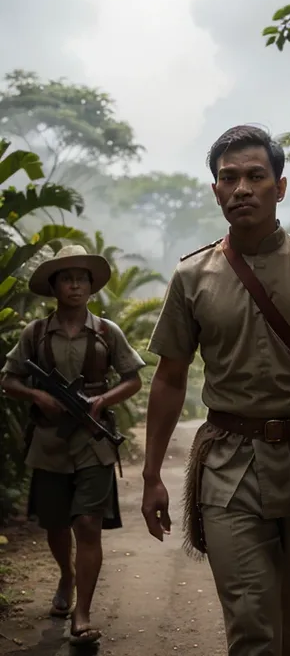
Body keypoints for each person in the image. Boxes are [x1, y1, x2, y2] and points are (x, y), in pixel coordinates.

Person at [141, 125, 290, 656]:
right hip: (227, 467)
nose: (242, 188)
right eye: (229, 178)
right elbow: (170, 377)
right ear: (216, 191)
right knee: (251, 624)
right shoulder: (191, 276)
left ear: (281, 187)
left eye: (255, 176)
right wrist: (152, 473)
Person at [1, 245, 146, 646]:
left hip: (93, 444)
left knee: (87, 523)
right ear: (54, 286)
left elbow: (133, 377)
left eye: (82, 278)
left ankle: (82, 612)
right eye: (67, 278)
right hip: (49, 443)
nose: (76, 285)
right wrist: (38, 398)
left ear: (91, 286)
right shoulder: (35, 333)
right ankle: (65, 575)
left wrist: (103, 401)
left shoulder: (105, 332)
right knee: (55, 523)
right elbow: (8, 380)